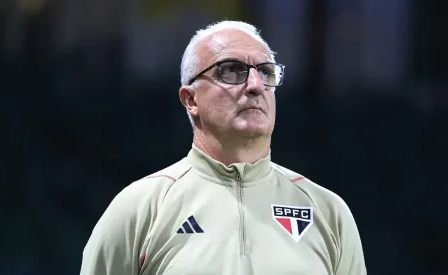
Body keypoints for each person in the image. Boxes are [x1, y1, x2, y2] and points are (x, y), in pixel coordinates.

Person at [80, 20, 367, 275]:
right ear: (191, 100)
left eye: (266, 71)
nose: (255, 85)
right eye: (231, 70)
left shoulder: (328, 212)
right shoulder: (139, 209)